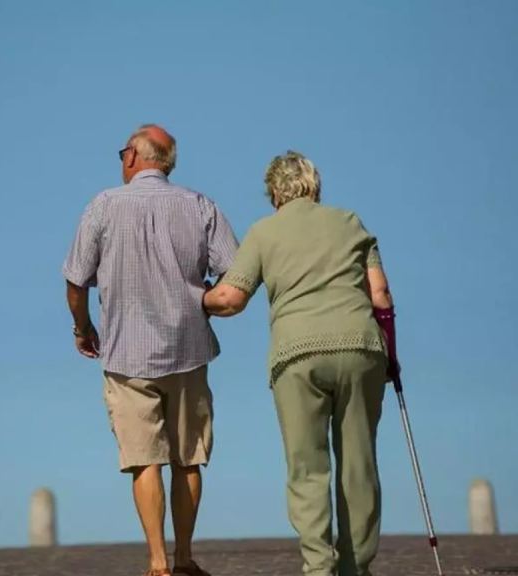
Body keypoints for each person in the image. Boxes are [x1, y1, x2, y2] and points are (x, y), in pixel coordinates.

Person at [202, 151, 400, 576]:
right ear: (316, 186)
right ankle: (356, 567)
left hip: (297, 356)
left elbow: (231, 299)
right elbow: (380, 294)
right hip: (360, 347)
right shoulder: (350, 222)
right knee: (359, 464)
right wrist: (392, 356)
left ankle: (318, 568)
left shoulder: (263, 232)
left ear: (274, 192)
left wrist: (197, 299)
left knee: (307, 468)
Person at [62, 124, 239, 576]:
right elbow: (237, 275)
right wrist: (206, 303)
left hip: (125, 354)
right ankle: (184, 559)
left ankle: (157, 563)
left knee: (145, 461)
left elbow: (76, 280)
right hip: (188, 349)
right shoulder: (199, 205)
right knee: (188, 458)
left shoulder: (103, 205)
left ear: (132, 159)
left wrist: (83, 328)